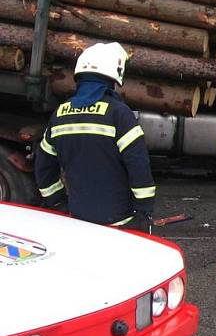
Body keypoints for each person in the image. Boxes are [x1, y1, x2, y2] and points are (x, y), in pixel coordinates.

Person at [34, 42, 155, 232]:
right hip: (120, 224)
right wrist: (143, 212)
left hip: (77, 220)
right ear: (113, 77)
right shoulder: (119, 114)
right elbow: (138, 164)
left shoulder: (60, 114)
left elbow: (43, 169)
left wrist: (58, 203)